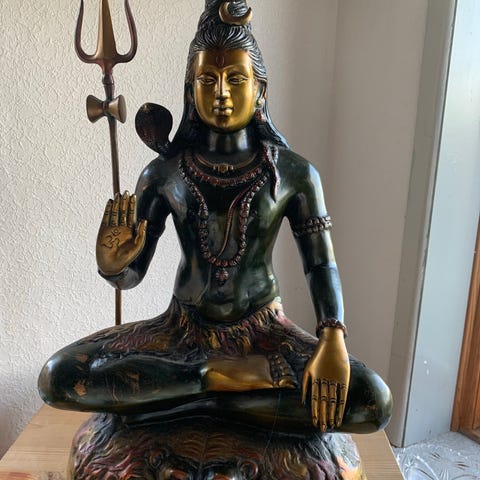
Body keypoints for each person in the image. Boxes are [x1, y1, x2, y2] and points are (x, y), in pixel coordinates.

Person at [39, 0, 392, 435]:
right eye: (208, 80)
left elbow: (320, 265)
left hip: (264, 334)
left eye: (235, 79)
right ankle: (217, 383)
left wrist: (332, 336)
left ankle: (181, 398)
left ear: (260, 89)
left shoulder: (294, 174)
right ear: (191, 90)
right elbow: (131, 276)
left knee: (371, 400)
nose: (221, 93)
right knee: (59, 376)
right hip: (180, 331)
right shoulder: (164, 173)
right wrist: (114, 264)